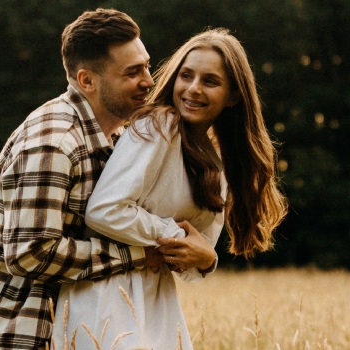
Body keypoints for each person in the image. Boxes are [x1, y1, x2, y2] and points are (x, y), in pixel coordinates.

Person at [0, 9, 215, 350]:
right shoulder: (53, 142)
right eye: (132, 72)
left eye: (145, 65)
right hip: (3, 332)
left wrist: (201, 255)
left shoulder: (120, 137)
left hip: (59, 329)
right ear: (87, 81)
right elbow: (30, 253)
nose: (149, 81)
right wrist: (137, 255)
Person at [53, 28, 289, 349]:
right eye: (186, 75)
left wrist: (206, 261)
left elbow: (198, 252)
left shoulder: (216, 159)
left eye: (210, 81)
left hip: (158, 303)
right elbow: (103, 211)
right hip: (106, 298)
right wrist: (174, 237)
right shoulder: (159, 124)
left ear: (234, 96)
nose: (192, 89)